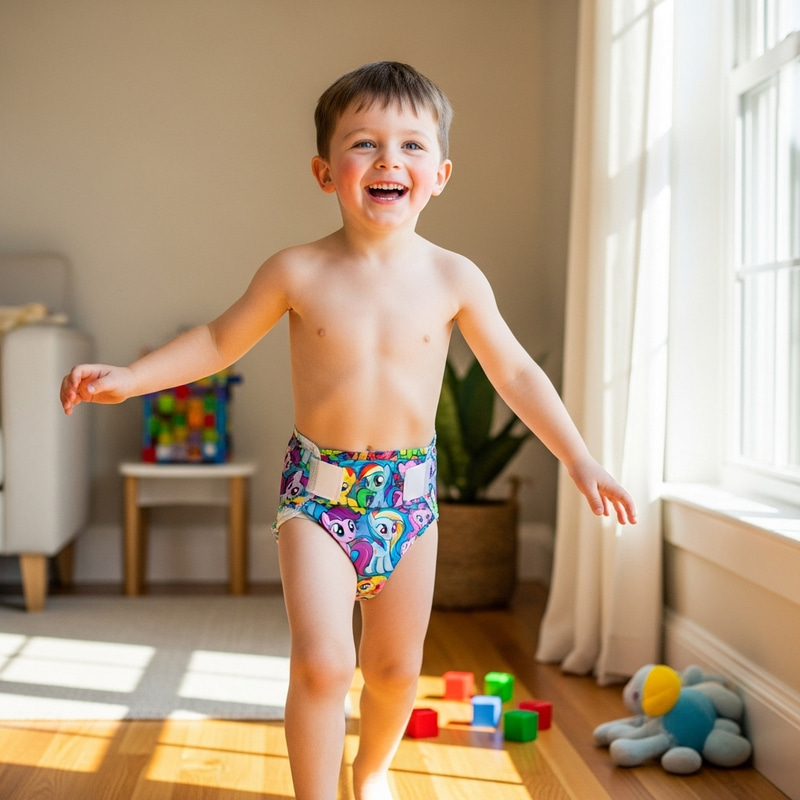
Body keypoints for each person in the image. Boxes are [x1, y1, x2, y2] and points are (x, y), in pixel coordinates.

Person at [61, 61, 637, 800]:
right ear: (324, 171)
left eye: (410, 147)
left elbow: (518, 376)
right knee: (324, 663)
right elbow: (215, 342)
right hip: (318, 499)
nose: (389, 160)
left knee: (396, 673)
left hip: (412, 500)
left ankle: (371, 771)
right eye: (364, 144)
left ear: (440, 174)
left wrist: (581, 459)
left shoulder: (455, 279)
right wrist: (129, 379)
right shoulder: (296, 271)